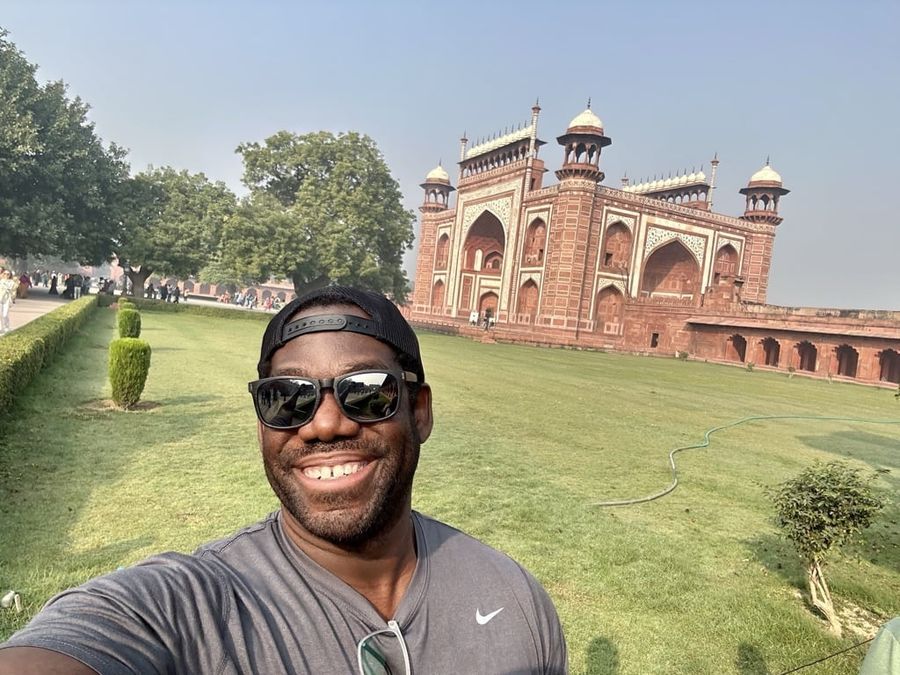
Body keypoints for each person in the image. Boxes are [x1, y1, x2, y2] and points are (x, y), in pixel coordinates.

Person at [0, 285, 568, 674]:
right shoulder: (195, 606)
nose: (324, 424)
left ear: (418, 411)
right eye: (287, 398)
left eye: (367, 392)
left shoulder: (513, 601)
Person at [0, 270, 16, 334]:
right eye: (5, 273)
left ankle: (7, 327)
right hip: (0, 298)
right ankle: (2, 328)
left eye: (8, 274)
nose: (6, 275)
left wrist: (13, 298)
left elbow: (13, 290)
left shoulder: (12, 282)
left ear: (10, 275)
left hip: (7, 299)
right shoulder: (1, 281)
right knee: (0, 314)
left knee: (5, 314)